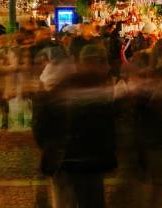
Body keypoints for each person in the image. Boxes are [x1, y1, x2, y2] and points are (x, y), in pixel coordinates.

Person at [33, 43, 117, 207]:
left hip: (69, 161)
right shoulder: (94, 90)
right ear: (95, 62)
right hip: (84, 162)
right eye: (104, 62)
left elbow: (42, 120)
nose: (108, 67)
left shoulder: (67, 85)